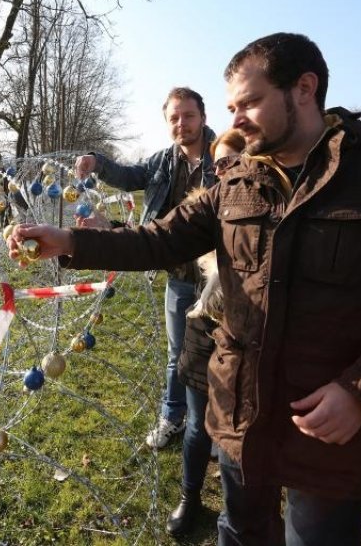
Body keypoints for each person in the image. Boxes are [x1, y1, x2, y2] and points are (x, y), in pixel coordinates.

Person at [8, 32, 361, 545]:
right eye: (231, 106)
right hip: (239, 418)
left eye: (249, 102)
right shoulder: (237, 182)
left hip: (328, 434)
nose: (236, 119)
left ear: (304, 89)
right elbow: (159, 239)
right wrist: (69, 240)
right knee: (241, 533)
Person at [74, 87, 218, 449]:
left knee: (219, 358)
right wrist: (97, 162)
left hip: (221, 280)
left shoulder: (226, 157)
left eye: (188, 116)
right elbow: (127, 175)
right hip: (180, 276)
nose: (182, 124)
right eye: (174, 118)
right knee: (177, 355)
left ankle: (213, 429)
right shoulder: (162, 162)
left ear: (203, 117)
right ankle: (172, 417)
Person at [166, 129, 244, 538]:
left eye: (236, 160)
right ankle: (190, 496)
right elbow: (159, 238)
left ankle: (237, 516)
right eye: (220, 163)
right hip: (206, 329)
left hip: (250, 341)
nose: (226, 169)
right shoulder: (207, 209)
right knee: (197, 423)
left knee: (239, 432)